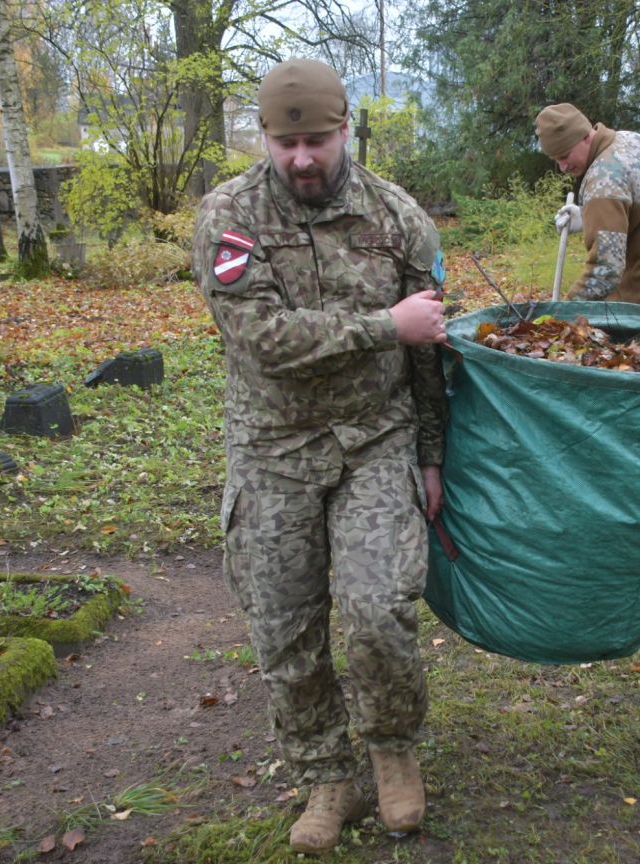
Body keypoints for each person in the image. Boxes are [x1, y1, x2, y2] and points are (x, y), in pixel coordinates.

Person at [191, 58, 449, 854]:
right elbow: (259, 340)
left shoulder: (399, 219)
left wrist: (433, 457)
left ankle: (393, 751)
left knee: (379, 612)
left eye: (318, 138)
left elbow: (431, 355)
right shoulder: (228, 217)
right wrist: (383, 326)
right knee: (284, 627)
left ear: (346, 130)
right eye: (285, 140)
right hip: (273, 450)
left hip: (376, 442)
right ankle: (325, 774)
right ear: (265, 137)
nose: (302, 157)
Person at [534, 102, 640, 306]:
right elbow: (637, 210)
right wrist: (589, 216)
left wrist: (561, 314)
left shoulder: (601, 180)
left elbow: (605, 271)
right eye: (555, 160)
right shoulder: (634, 141)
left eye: (564, 156)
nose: (562, 167)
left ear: (585, 136)